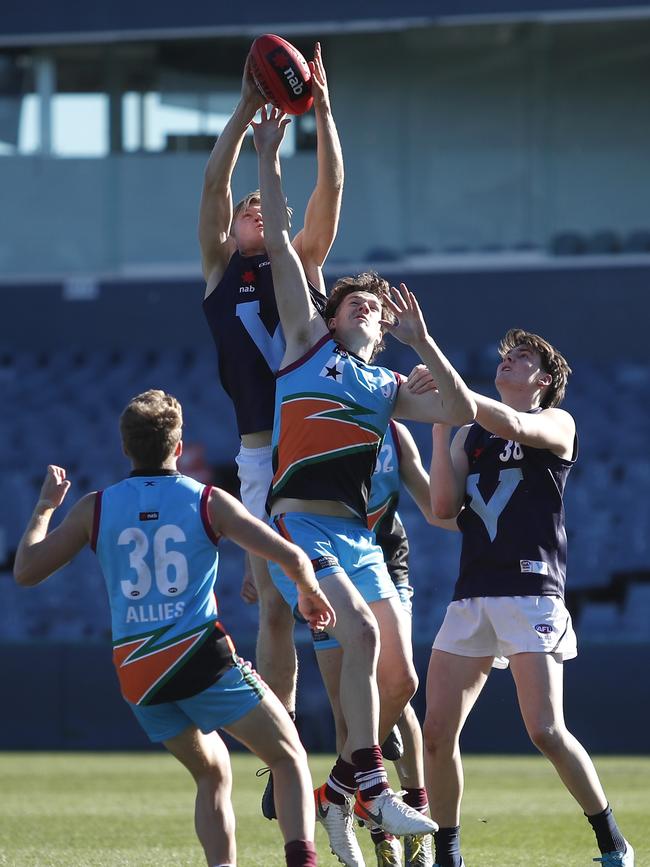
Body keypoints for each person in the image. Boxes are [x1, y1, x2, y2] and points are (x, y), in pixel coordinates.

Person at [252, 105, 476, 867]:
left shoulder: (385, 384)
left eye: (374, 306)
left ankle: (341, 793)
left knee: (400, 676)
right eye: (355, 300)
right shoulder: (308, 342)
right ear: (332, 313)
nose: (365, 306)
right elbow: (282, 240)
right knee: (363, 633)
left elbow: (456, 407)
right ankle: (372, 784)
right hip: (299, 527)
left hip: (356, 533)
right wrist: (269, 155)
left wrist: (425, 342)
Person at [14, 389, 336, 867]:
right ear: (179, 447)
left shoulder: (94, 508)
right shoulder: (207, 500)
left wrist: (43, 507)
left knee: (212, 772)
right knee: (288, 757)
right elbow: (289, 555)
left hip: (137, 671)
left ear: (125, 448)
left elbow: (26, 571)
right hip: (199, 657)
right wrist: (310, 593)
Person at [423, 330, 634, 867]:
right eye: (506, 356)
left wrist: (432, 356)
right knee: (436, 732)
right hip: (472, 595)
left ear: (543, 380)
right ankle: (447, 851)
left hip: (532, 593)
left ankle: (611, 841)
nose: (509, 362)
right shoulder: (468, 435)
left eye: (523, 359)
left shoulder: (557, 423)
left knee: (544, 730)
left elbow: (515, 425)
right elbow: (444, 507)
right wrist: (443, 425)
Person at [198, 40, 344, 814]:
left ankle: (358, 749)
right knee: (275, 604)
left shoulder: (302, 262)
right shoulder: (221, 270)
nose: (255, 210)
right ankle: (284, 746)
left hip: (318, 445)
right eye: (250, 211)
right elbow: (218, 184)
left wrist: (322, 118)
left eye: (264, 205)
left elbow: (327, 194)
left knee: (342, 600)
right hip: (261, 454)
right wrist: (246, 110)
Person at [317, 418, 458, 867]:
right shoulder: (313, 417)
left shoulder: (393, 432)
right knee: (347, 709)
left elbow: (434, 506)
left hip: (385, 564)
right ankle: (383, 838)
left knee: (395, 690)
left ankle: (410, 807)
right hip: (325, 562)